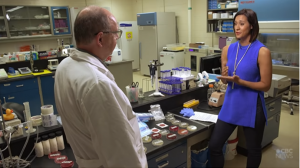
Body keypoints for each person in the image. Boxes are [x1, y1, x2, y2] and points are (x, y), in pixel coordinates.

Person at [54, 6, 147, 168]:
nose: (117, 38)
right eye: (115, 33)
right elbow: (121, 155)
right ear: (100, 39)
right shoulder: (96, 84)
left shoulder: (65, 66)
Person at [209, 9, 272, 168]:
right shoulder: (227, 49)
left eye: (242, 24)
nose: (237, 27)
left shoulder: (262, 51)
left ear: (251, 26)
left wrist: (240, 81)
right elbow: (226, 80)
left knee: (253, 150)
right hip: (231, 104)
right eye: (235, 24)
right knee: (214, 146)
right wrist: (224, 78)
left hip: (252, 106)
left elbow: (266, 85)